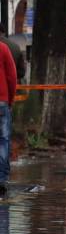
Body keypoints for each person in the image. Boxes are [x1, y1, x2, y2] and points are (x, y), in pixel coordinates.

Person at [0, 40, 16, 199]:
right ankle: (2, 180)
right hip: (2, 102)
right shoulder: (3, 48)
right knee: (3, 140)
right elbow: (12, 76)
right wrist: (10, 99)